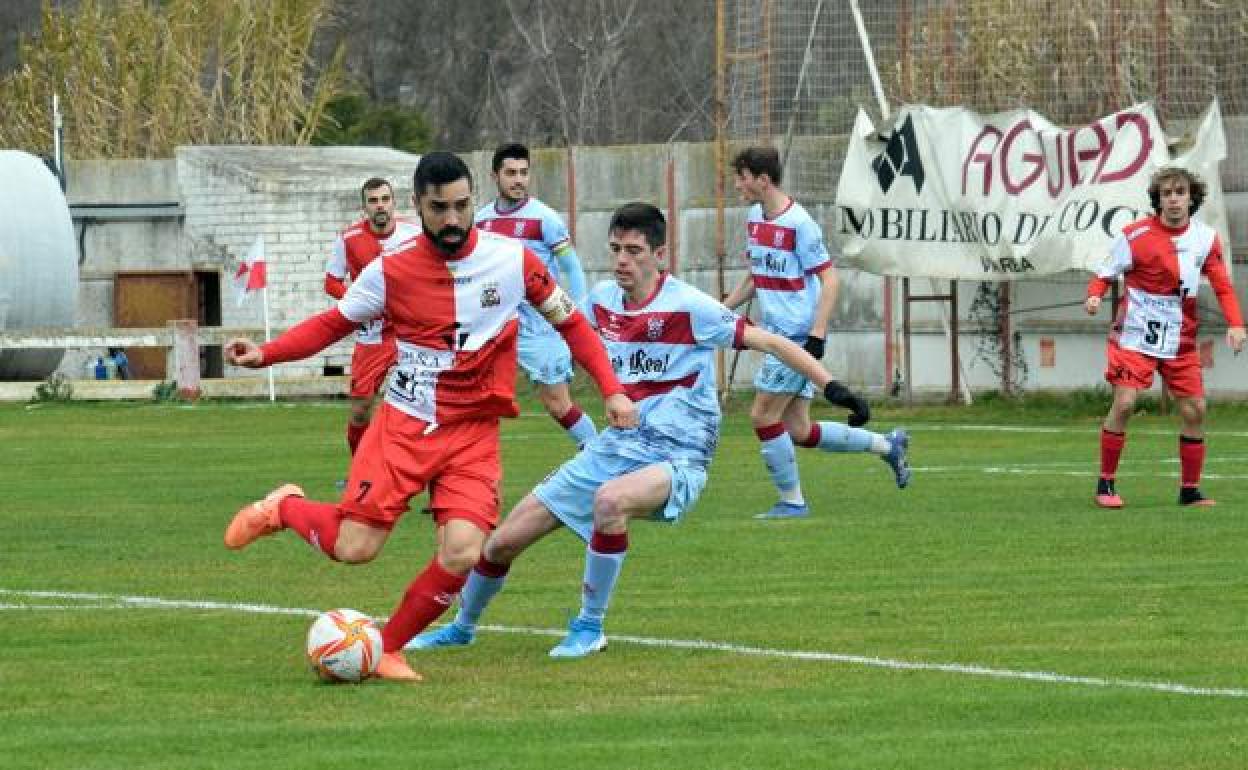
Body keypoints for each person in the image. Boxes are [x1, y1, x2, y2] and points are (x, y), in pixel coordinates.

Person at [405, 202, 903, 658]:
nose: (622, 260)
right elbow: (556, 323)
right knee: (499, 544)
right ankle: (462, 627)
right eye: (616, 249)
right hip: (615, 447)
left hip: (679, 457)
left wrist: (832, 386)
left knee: (609, 503)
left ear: (660, 255)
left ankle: (589, 626)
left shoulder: (690, 306)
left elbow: (770, 341)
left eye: (634, 251)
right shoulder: (601, 302)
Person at [222, 152, 637, 682]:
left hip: (473, 433)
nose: (453, 219)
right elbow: (333, 323)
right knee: (355, 548)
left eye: (462, 206)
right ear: (418, 206)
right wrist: (267, 354)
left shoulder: (513, 261)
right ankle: (285, 507)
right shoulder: (390, 270)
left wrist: (613, 391)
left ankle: (386, 648)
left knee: (463, 553)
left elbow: (573, 325)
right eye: (439, 208)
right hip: (404, 426)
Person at [722, 146, 910, 519]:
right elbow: (756, 277)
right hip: (775, 334)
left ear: (763, 180)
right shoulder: (755, 218)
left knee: (762, 416)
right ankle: (887, 446)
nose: (738, 184)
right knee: (798, 430)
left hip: (794, 337)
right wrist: (722, 309)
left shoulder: (800, 224)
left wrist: (817, 334)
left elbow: (830, 279)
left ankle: (792, 502)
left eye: (742, 177)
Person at [1085, 166, 1245, 508]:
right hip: (1135, 336)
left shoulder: (1205, 239)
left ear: (1191, 198)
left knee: (1194, 410)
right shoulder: (1135, 235)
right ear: (1158, 200)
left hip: (1179, 339)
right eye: (1166, 194)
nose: (1173, 199)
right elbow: (1105, 272)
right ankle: (1106, 484)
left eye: (1180, 192)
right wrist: (1095, 294)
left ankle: (1189, 491)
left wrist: (1235, 323)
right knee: (1125, 403)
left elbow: (1222, 285)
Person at [475, 142, 597, 449]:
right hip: (496, 324)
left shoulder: (545, 218)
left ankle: (598, 454)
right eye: (511, 173)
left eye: (524, 173)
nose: (518, 180)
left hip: (540, 325)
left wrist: (578, 314)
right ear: (495, 176)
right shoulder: (480, 221)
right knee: (474, 400)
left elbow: (573, 267)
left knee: (558, 404)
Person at [324, 178, 422, 456]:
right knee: (360, 410)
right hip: (373, 335)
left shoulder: (414, 233)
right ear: (364, 207)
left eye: (385, 199)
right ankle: (359, 471)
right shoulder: (349, 238)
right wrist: (358, 302)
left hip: (410, 331)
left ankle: (417, 469)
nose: (380, 206)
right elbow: (331, 282)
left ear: (394, 202)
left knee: (420, 403)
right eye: (373, 201)